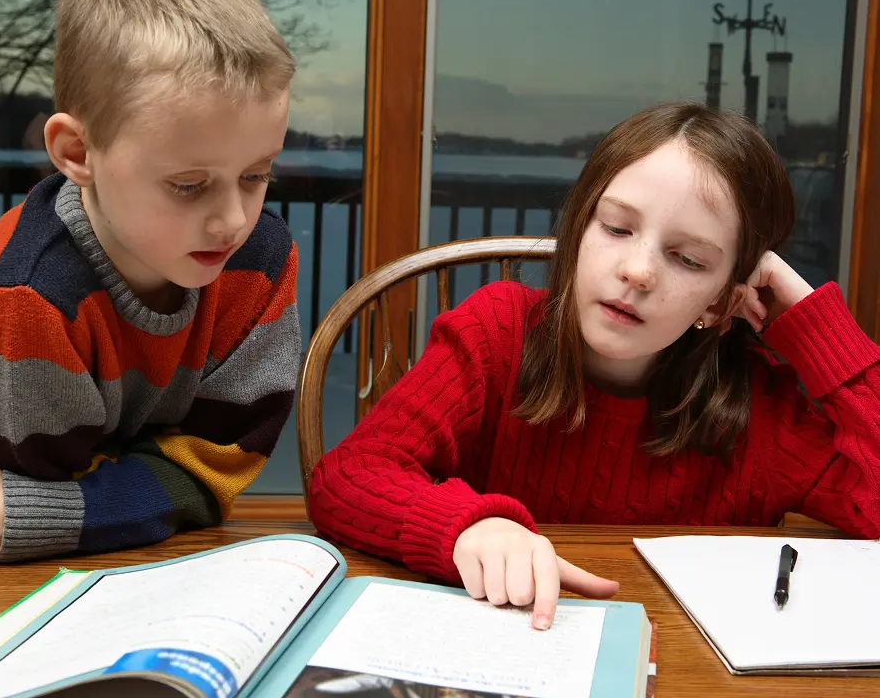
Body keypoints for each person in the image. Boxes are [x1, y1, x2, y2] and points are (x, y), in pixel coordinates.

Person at [308, 101, 880, 631]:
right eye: (615, 228)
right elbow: (349, 476)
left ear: (721, 301)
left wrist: (816, 328)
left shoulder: (762, 408)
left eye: (686, 258)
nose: (637, 270)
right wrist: (466, 525)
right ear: (579, 228)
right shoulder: (496, 334)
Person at [0, 0, 299, 563]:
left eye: (256, 174)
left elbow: (215, 471)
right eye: (188, 185)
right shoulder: (22, 301)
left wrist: (66, 507)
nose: (234, 221)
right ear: (78, 154)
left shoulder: (261, 263)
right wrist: (142, 485)